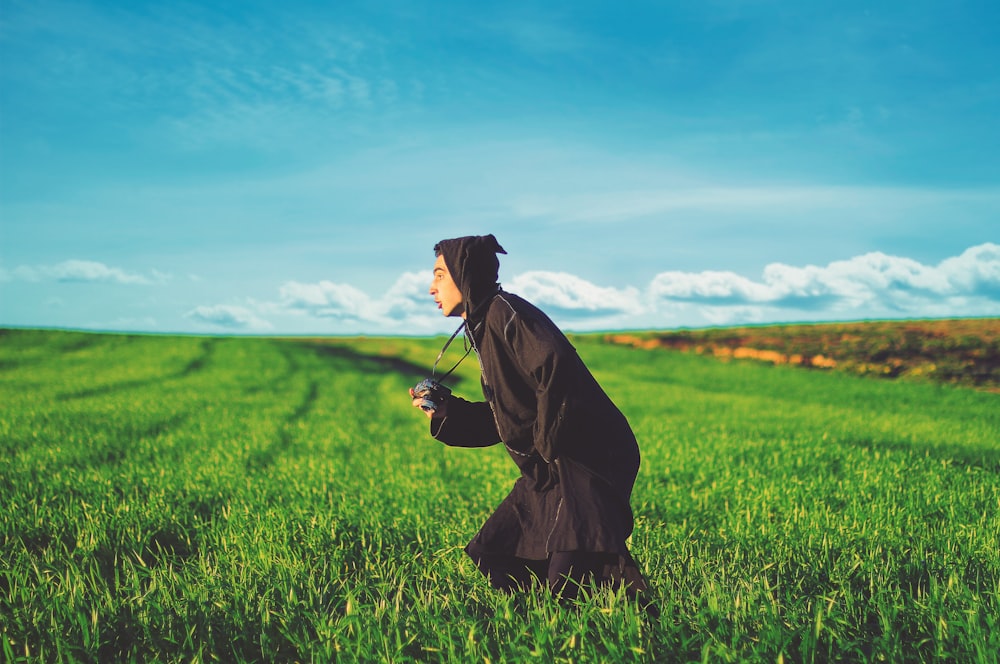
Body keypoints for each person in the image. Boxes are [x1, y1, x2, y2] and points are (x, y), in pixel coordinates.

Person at [409, 234, 654, 607]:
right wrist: (449, 413)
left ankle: (648, 625)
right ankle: (546, 627)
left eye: (440, 275)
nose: (432, 287)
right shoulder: (484, 324)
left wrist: (544, 444)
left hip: (587, 456)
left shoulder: (505, 313)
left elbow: (555, 365)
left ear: (464, 273)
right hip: (555, 459)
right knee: (495, 552)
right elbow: (509, 418)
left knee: (574, 571)